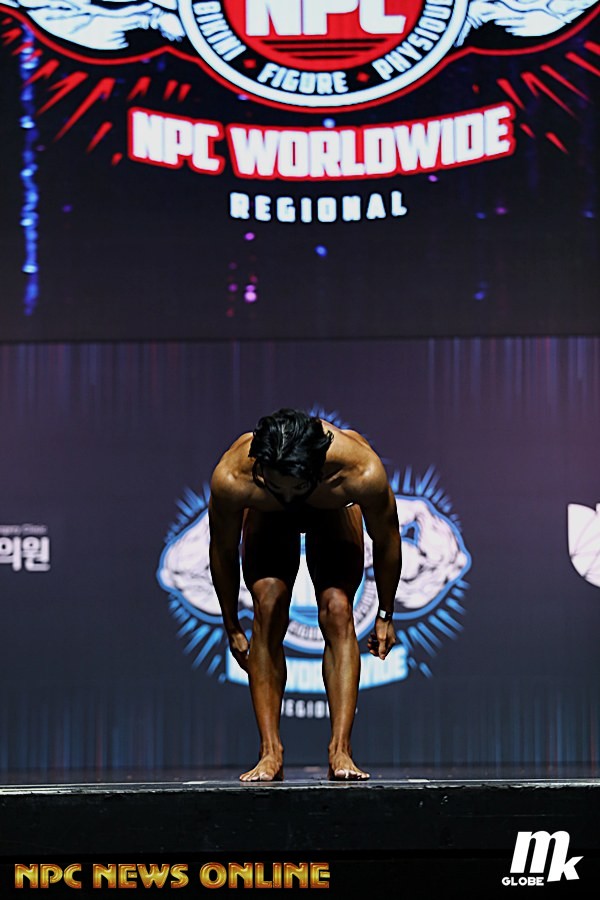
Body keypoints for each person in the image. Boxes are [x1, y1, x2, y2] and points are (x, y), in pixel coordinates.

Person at [208, 409, 402, 782]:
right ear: (260, 467)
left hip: (332, 511)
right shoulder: (233, 477)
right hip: (266, 517)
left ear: (317, 469)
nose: (287, 497)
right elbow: (223, 551)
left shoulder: (359, 470)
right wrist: (231, 625)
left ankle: (341, 750)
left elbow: (387, 539)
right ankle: (270, 752)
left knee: (338, 608)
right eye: (275, 486)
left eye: (295, 488)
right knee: (268, 604)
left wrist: (385, 614)